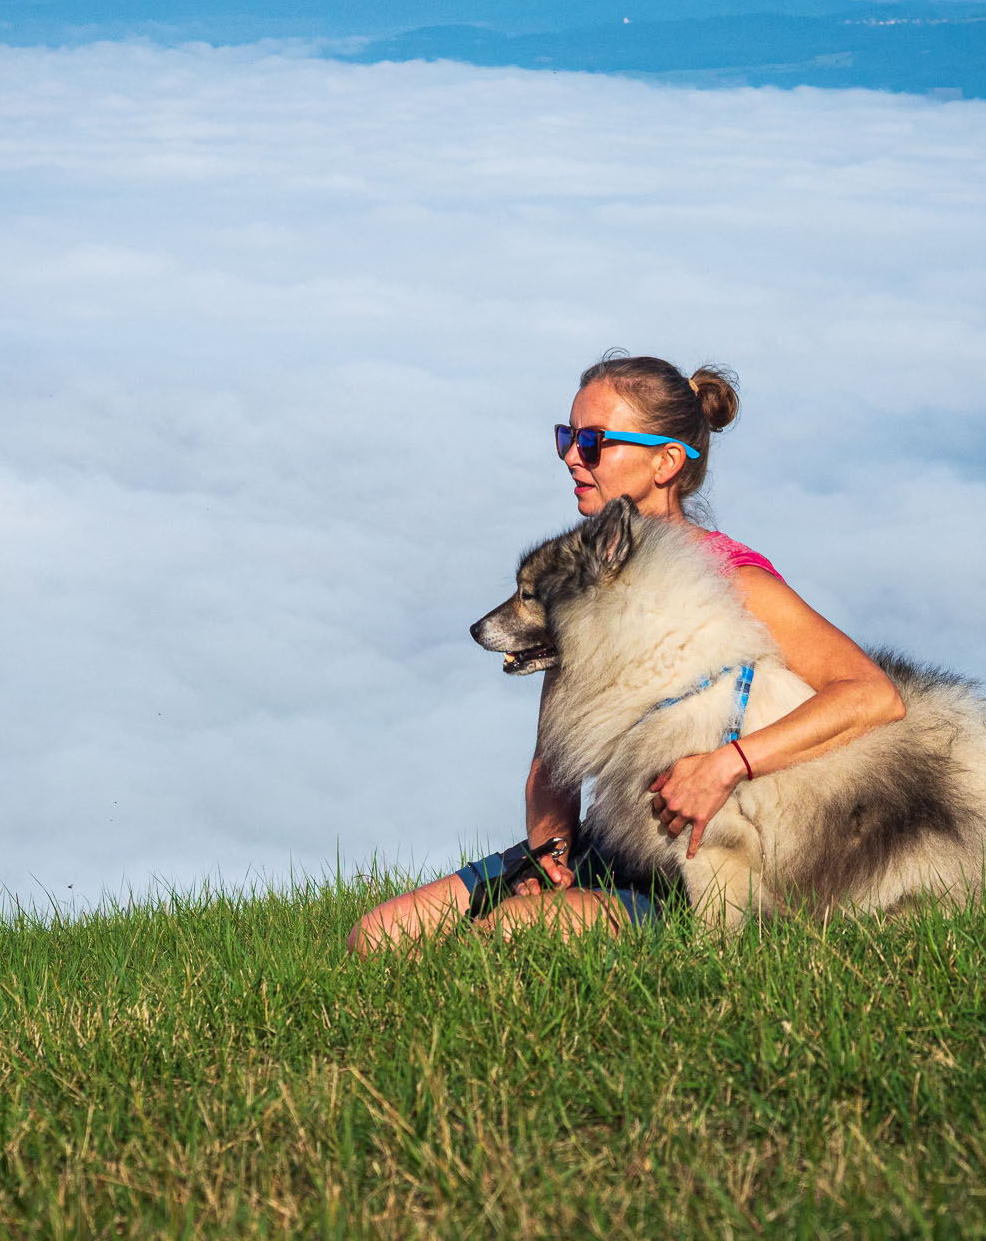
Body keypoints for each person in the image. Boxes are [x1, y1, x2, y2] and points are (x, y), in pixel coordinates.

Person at [345, 354, 906, 954]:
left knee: (503, 938)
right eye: (567, 437)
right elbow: (550, 764)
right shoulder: (585, 582)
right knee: (374, 939)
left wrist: (726, 766)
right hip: (608, 843)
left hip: (702, 860)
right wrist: (548, 857)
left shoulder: (734, 581)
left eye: (593, 442)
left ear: (666, 460)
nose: (571, 457)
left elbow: (872, 695)